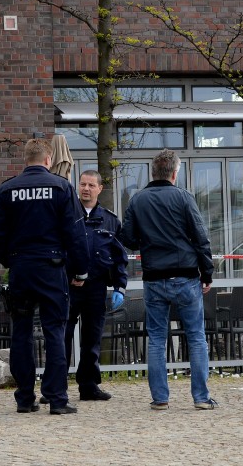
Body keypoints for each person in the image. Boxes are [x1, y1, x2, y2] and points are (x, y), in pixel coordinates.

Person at [0, 138, 90, 415]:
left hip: (21, 268)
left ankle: (24, 398)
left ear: (26, 159)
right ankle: (56, 399)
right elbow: (75, 233)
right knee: (55, 331)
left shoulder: (7, 189)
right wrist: (80, 270)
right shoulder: (61, 187)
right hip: (52, 268)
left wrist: (10, 260)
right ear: (49, 160)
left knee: (21, 332)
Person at [120, 149, 216, 411]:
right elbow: (201, 237)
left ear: (153, 172)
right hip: (186, 277)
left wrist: (147, 241)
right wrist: (207, 272)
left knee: (156, 339)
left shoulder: (138, 200)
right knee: (196, 337)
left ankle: (160, 398)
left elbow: (127, 239)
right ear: (175, 173)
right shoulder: (184, 197)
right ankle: (201, 397)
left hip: (154, 278)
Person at [63, 169, 129, 401]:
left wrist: (120, 287)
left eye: (91, 185)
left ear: (100, 189)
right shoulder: (67, 215)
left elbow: (119, 257)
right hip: (69, 286)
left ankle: (88, 386)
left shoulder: (110, 220)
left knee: (92, 339)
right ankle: (57, 387)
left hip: (96, 287)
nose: (86, 189)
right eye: (82, 184)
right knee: (63, 338)